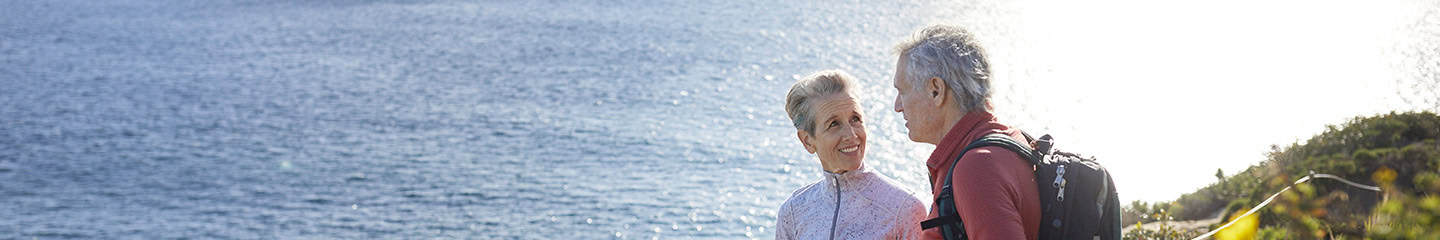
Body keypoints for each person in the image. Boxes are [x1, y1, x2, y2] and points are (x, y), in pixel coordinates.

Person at [890, 25, 1041, 240]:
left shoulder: (977, 168)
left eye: (902, 91)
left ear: (936, 90)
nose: (897, 106)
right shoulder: (1011, 140)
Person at [775, 70, 927, 239]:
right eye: (834, 124)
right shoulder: (793, 213)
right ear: (807, 141)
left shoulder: (904, 209)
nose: (851, 135)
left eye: (855, 119)